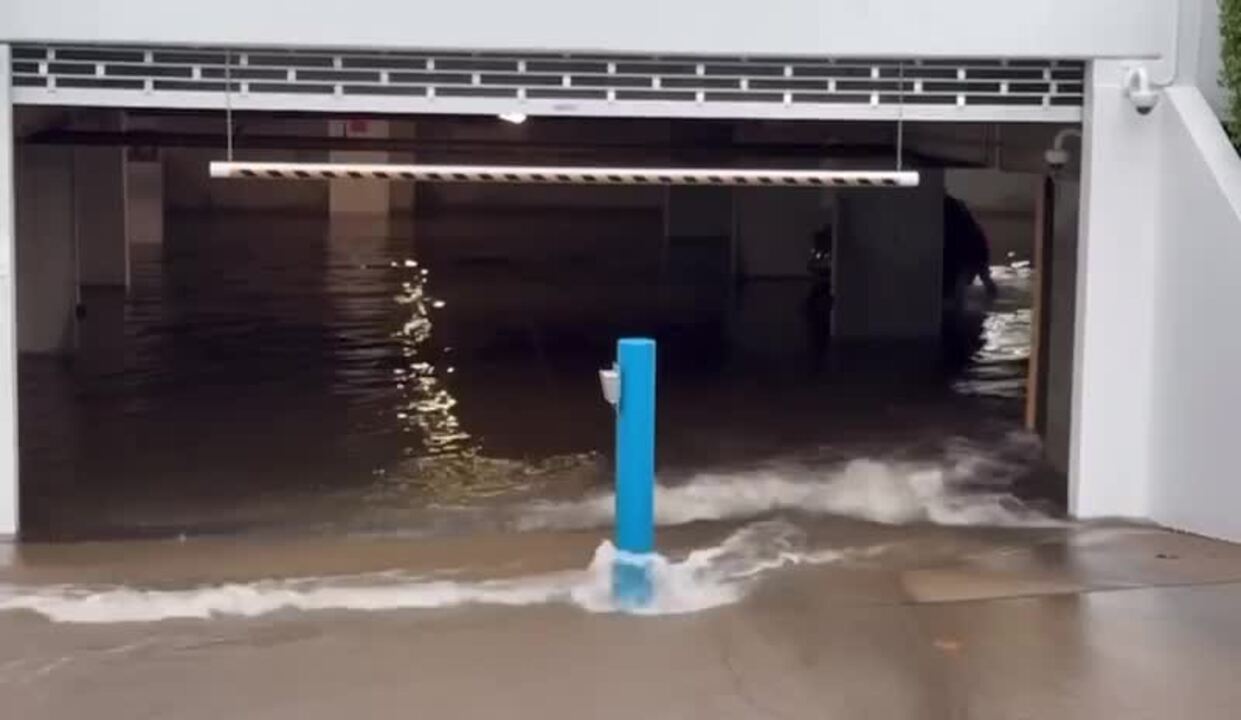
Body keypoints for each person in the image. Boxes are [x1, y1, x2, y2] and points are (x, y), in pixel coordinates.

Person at [943, 194, 998, 307]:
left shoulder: (959, 221)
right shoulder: (962, 219)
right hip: (967, 253)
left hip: (965, 255)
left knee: (955, 296)